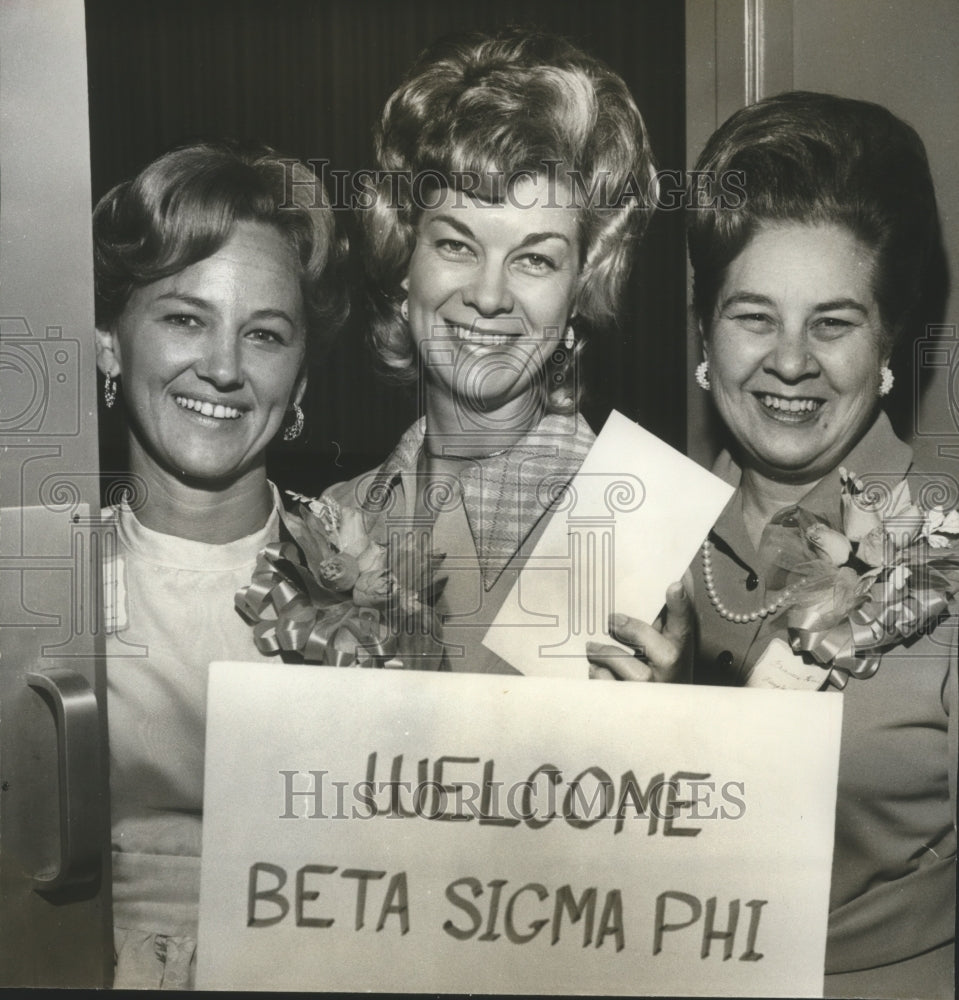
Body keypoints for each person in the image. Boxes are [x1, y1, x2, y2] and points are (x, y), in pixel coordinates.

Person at [687, 92, 955, 997]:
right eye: (753, 317)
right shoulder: (621, 522)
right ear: (703, 332)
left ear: (887, 345)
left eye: (832, 323)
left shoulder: (947, 555)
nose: (790, 361)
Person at [324, 26, 691, 678]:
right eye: (456, 245)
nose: (489, 296)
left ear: (582, 285)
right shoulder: (336, 519)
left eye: (534, 258)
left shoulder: (641, 518)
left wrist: (668, 727)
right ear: (403, 257)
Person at [93, 140, 347, 988]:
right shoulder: (34, 587)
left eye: (265, 334)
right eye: (185, 318)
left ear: (301, 381)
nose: (225, 368)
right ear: (108, 342)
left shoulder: (374, 583)